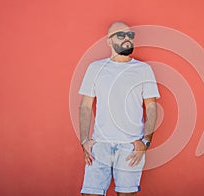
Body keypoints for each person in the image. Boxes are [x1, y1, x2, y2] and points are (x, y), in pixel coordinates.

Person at [78, 21, 160, 196]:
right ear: (109, 41)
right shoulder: (95, 68)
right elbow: (85, 107)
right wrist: (84, 141)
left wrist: (145, 142)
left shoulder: (143, 69)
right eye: (121, 35)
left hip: (131, 148)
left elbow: (152, 108)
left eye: (130, 35)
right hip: (100, 145)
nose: (127, 39)